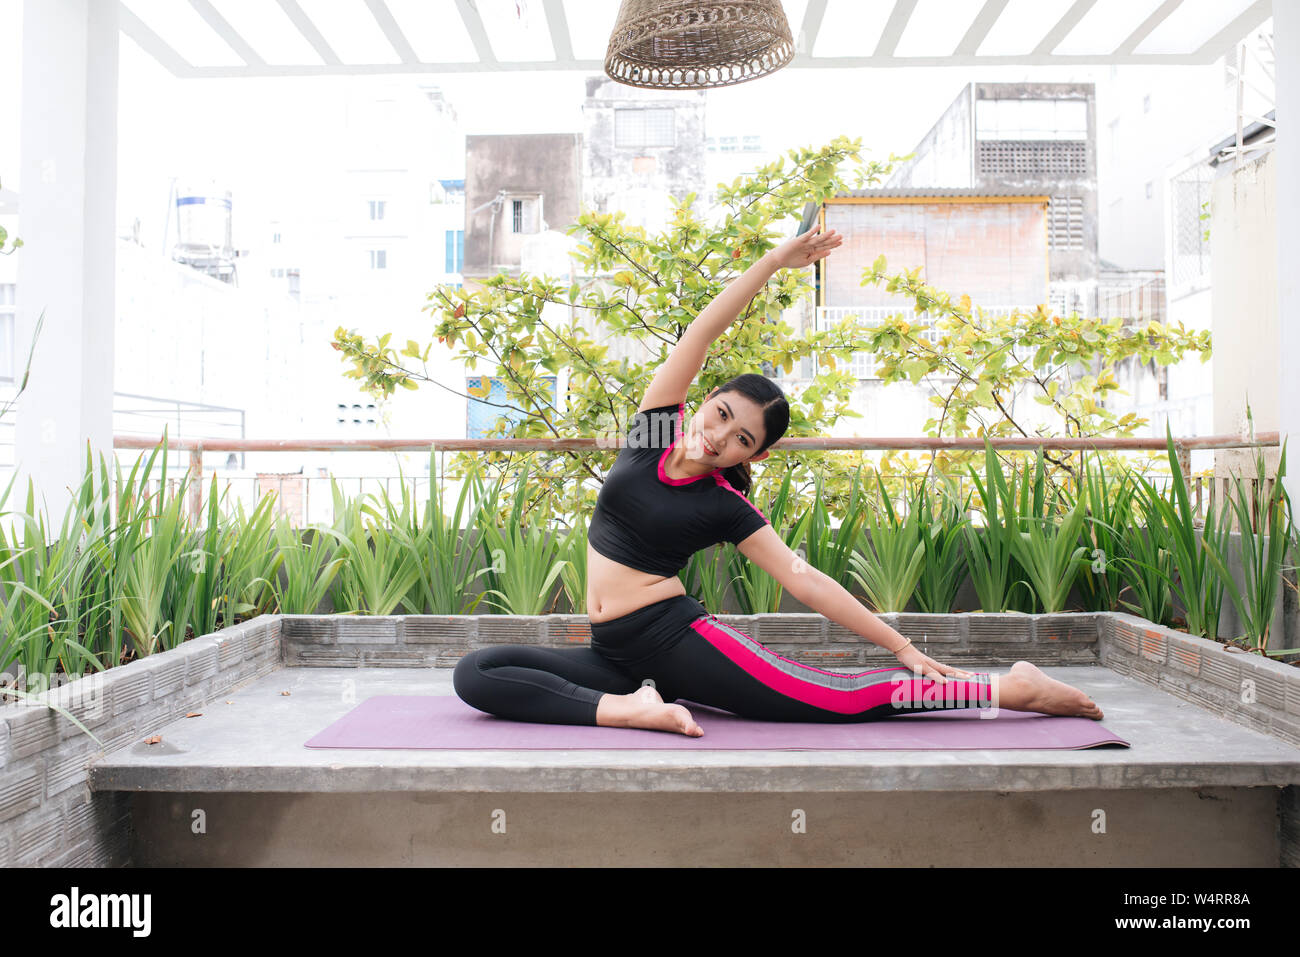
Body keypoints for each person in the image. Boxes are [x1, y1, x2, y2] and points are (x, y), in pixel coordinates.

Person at [453, 225, 1104, 736]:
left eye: (741, 439)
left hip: (673, 641)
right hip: (611, 652)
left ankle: (1006, 689)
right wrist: (771, 262)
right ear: (705, 399)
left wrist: (901, 644)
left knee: (835, 697)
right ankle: (629, 708)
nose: (719, 436)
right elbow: (705, 330)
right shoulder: (652, 429)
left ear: (753, 455)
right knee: (475, 673)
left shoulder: (723, 504)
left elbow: (802, 578)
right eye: (722, 414)